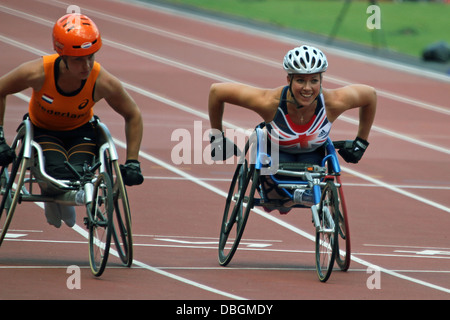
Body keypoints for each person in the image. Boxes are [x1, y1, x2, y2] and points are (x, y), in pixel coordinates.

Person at [0, 13, 144, 228]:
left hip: (81, 133)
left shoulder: (101, 81)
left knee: (78, 175)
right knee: (57, 173)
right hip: (43, 132)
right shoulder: (37, 72)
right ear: (62, 55)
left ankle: (69, 193)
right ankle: (52, 189)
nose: (86, 65)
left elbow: (133, 114)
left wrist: (133, 161)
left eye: (91, 57)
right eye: (78, 59)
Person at [209, 45, 376, 212]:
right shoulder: (269, 103)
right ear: (289, 80)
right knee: (277, 199)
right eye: (300, 80)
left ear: (321, 81)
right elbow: (217, 92)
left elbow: (370, 95)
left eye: (314, 81)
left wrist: (361, 142)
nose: (307, 88)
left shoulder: (333, 103)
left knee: (312, 185)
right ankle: (290, 197)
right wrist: (217, 138)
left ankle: (298, 196)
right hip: (277, 154)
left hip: (313, 155)